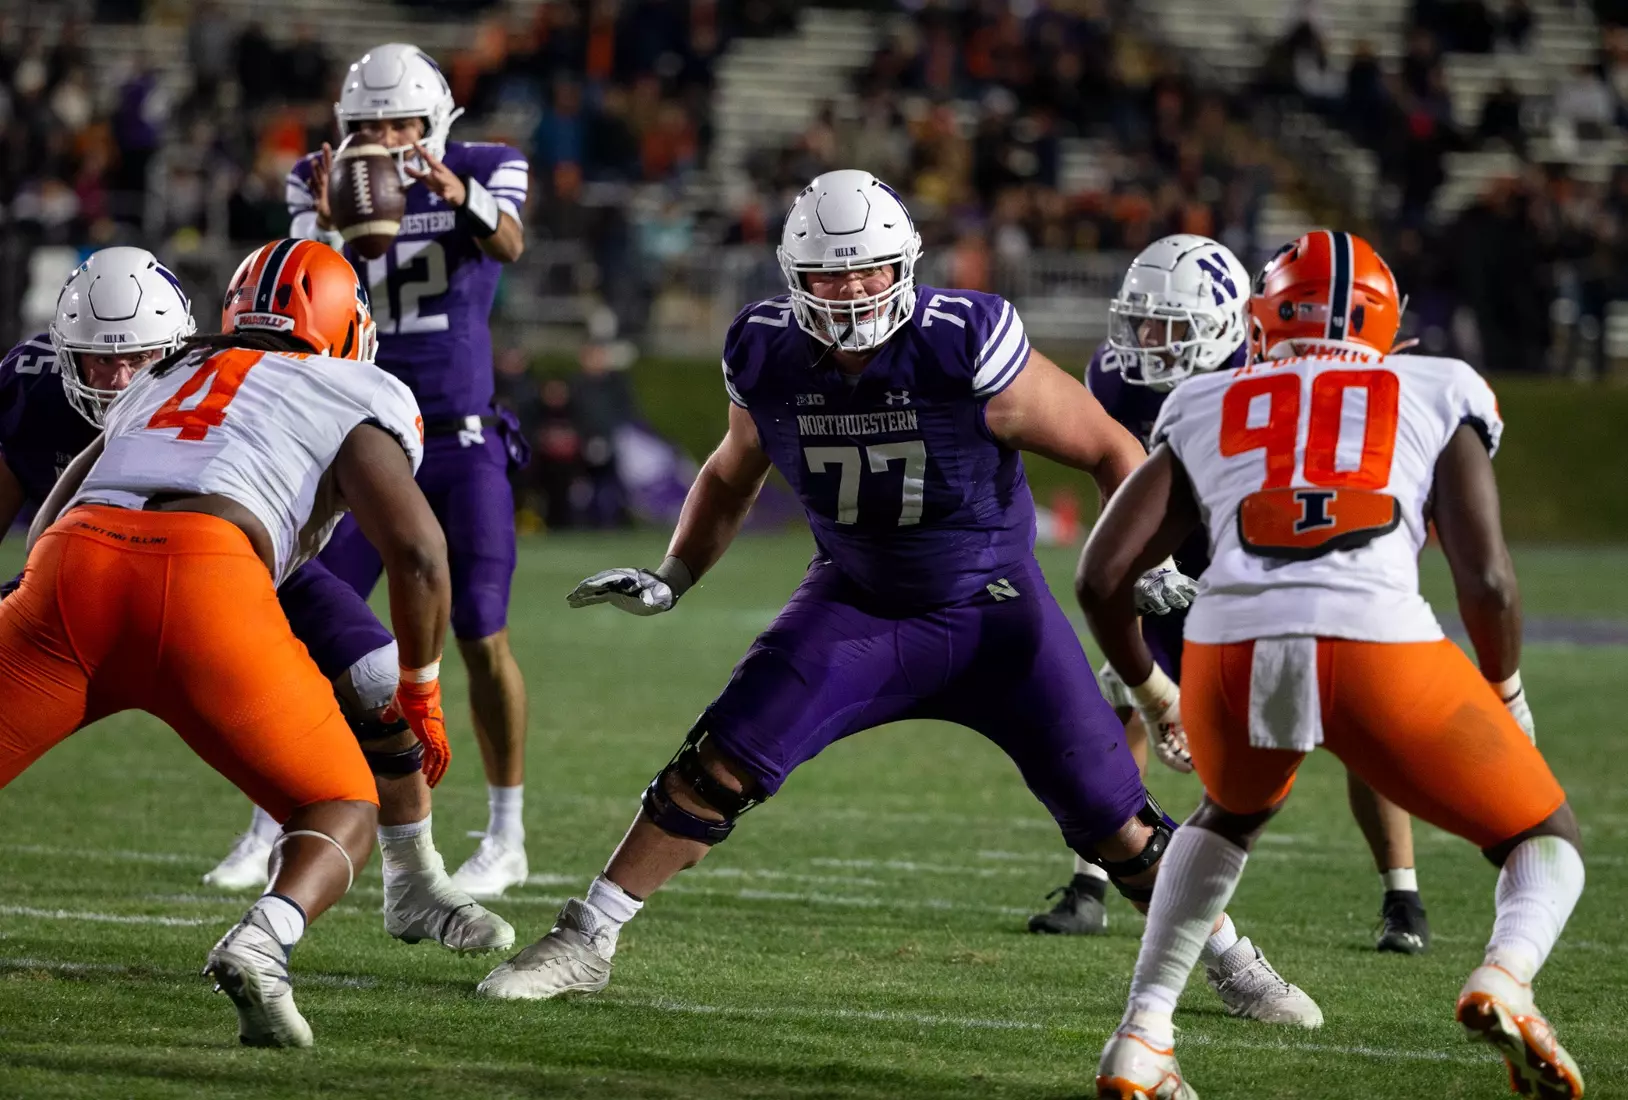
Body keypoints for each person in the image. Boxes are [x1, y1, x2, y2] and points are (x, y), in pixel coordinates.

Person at [475, 171, 1321, 1031]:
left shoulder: (964, 342)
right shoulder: (764, 351)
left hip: (995, 613)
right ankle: (584, 939)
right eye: (831, 276)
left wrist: (1139, 560)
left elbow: (1110, 447)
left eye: (870, 271)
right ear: (793, 278)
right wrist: (676, 573)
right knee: (717, 763)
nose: (851, 293)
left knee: (1117, 820)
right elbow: (733, 471)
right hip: (859, 603)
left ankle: (1231, 961)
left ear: (905, 265)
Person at [1081, 230, 1584, 1099]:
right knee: (1544, 838)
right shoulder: (1437, 383)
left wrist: (1150, 686)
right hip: (1376, 641)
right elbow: (1489, 580)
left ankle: (1143, 1034)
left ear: (1263, 318)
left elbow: (1099, 576)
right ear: (1386, 322)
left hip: (1231, 647)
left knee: (1224, 819)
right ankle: (1505, 976)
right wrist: (1503, 685)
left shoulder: (1208, 398)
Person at [0, 239, 458, 1048]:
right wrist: (420, 692)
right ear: (344, 327)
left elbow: (44, 525)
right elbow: (418, 554)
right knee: (343, 804)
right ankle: (263, 937)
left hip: (70, 567)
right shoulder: (353, 385)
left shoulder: (164, 375)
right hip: (206, 575)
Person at [1029, 235, 1433, 956]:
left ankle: (1403, 894)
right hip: (1174, 563)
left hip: (1275, 565)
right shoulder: (1118, 378)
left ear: (1224, 327)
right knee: (1120, 693)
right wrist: (1147, 567)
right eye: (1142, 322)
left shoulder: (1272, 374)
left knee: (1358, 724)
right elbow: (1114, 482)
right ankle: (1092, 878)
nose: (1148, 341)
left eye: (1170, 327)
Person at [286, 43, 534, 898]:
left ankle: (506, 832)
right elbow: (296, 288)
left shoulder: (485, 164)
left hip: (460, 439)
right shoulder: (319, 175)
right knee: (307, 625)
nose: (387, 138)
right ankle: (277, 820)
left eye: (402, 123)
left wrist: (452, 194)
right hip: (359, 441)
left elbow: (509, 242)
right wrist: (323, 220)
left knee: (480, 632)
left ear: (436, 123)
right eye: (370, 124)